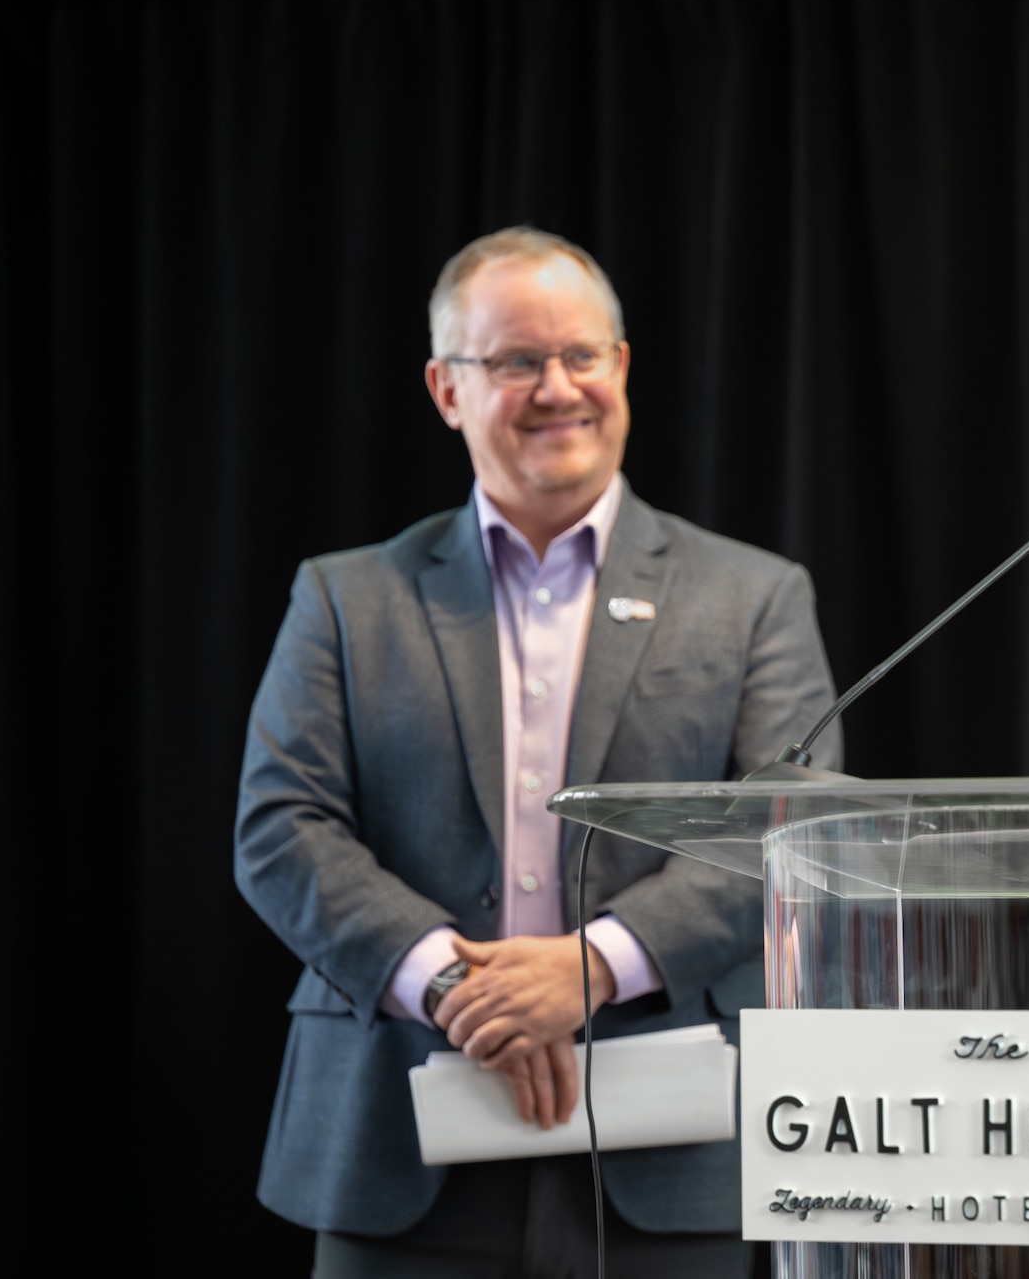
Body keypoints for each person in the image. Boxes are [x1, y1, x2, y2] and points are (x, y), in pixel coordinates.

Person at [235, 226, 840, 1276]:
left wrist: (588, 968)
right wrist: (452, 984)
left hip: (674, 1145)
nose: (558, 388)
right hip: (394, 1135)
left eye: (581, 354)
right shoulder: (344, 597)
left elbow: (787, 827)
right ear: (446, 388)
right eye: (516, 360)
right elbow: (281, 831)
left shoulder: (753, 595)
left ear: (622, 367)